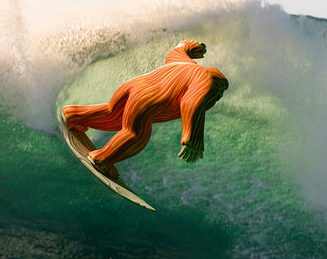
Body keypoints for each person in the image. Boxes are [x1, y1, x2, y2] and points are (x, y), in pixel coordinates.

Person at [61, 40, 229, 179]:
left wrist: (192, 46)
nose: (219, 95)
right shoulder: (205, 80)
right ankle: (102, 159)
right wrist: (192, 138)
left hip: (133, 86)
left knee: (113, 115)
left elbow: (178, 49)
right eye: (220, 91)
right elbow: (192, 102)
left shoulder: (186, 63)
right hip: (147, 99)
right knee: (136, 135)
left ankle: (74, 115)